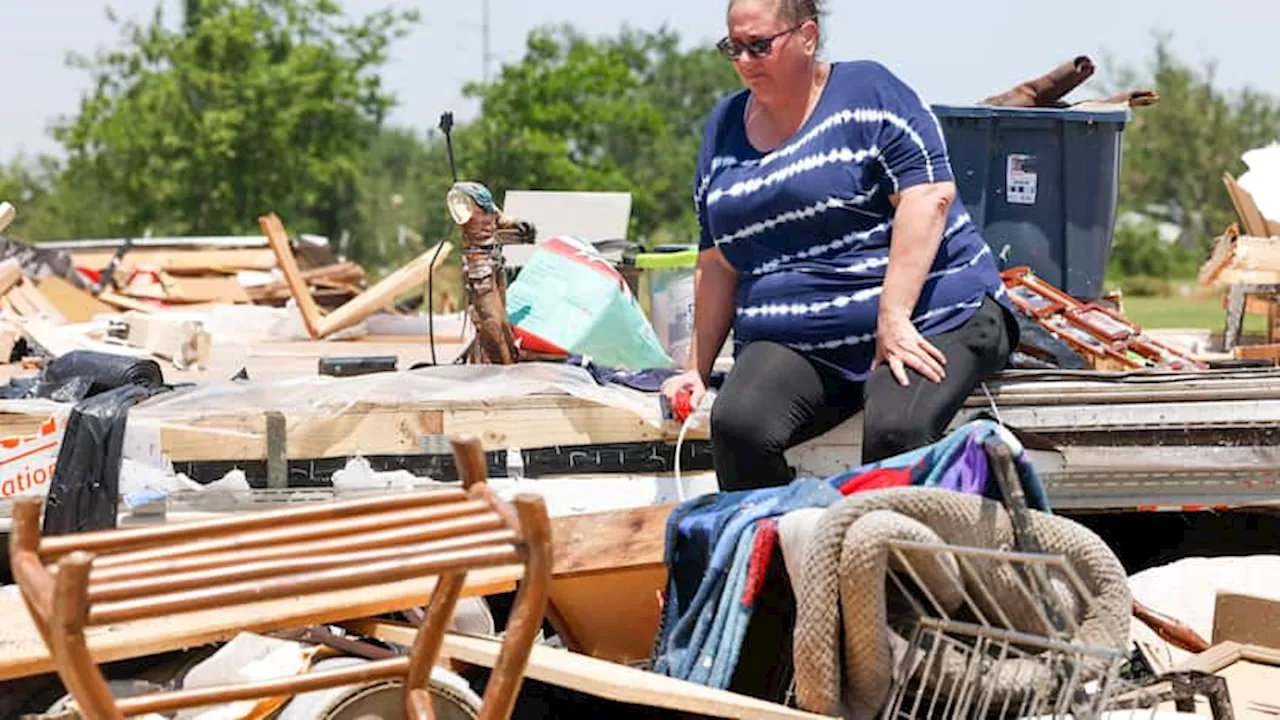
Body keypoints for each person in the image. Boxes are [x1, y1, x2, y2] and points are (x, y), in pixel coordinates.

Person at [660, 0, 1019, 492]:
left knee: (897, 431)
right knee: (739, 425)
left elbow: (928, 196)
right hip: (801, 343)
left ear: (807, 36)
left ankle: (889, 565)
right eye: (733, 47)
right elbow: (718, 259)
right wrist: (696, 372)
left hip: (933, 315)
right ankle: (779, 561)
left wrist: (893, 319)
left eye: (759, 46)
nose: (744, 61)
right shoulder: (723, 129)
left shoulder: (870, 93)